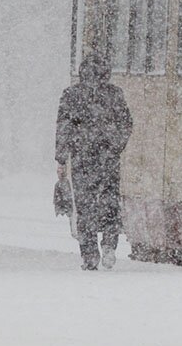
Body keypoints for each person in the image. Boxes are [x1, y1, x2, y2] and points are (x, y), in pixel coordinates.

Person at [55, 53, 133, 270]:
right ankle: (109, 244)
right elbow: (126, 123)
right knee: (109, 202)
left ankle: (89, 254)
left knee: (85, 206)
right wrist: (115, 145)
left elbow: (64, 127)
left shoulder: (71, 95)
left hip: (82, 158)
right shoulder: (114, 94)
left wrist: (61, 158)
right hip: (108, 158)